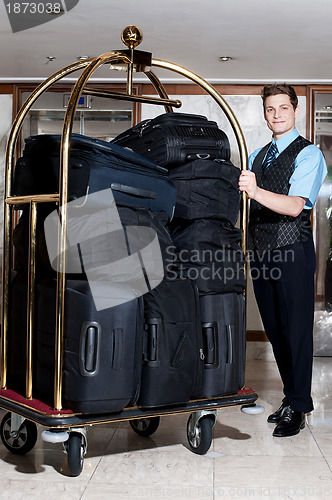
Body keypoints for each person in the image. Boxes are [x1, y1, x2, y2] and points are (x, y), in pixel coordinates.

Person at [239, 83, 327, 437]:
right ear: (265, 112)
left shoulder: (309, 155)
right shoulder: (257, 156)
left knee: (297, 331)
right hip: (261, 253)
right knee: (276, 332)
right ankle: (291, 398)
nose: (276, 114)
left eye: (283, 108)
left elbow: (294, 206)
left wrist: (255, 189)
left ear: (296, 111)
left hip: (292, 252)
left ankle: (300, 406)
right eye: (271, 109)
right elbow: (249, 205)